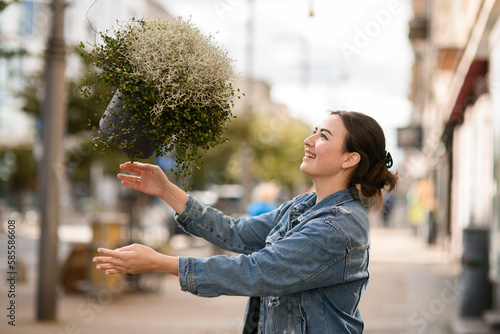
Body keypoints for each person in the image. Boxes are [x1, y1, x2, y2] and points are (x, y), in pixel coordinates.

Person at [93, 110, 398, 333]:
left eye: (323, 136)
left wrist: (160, 263)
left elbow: (256, 271)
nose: (309, 140)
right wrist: (166, 190)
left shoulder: (337, 228)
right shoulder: (304, 206)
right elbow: (237, 233)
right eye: (314, 130)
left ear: (350, 159)